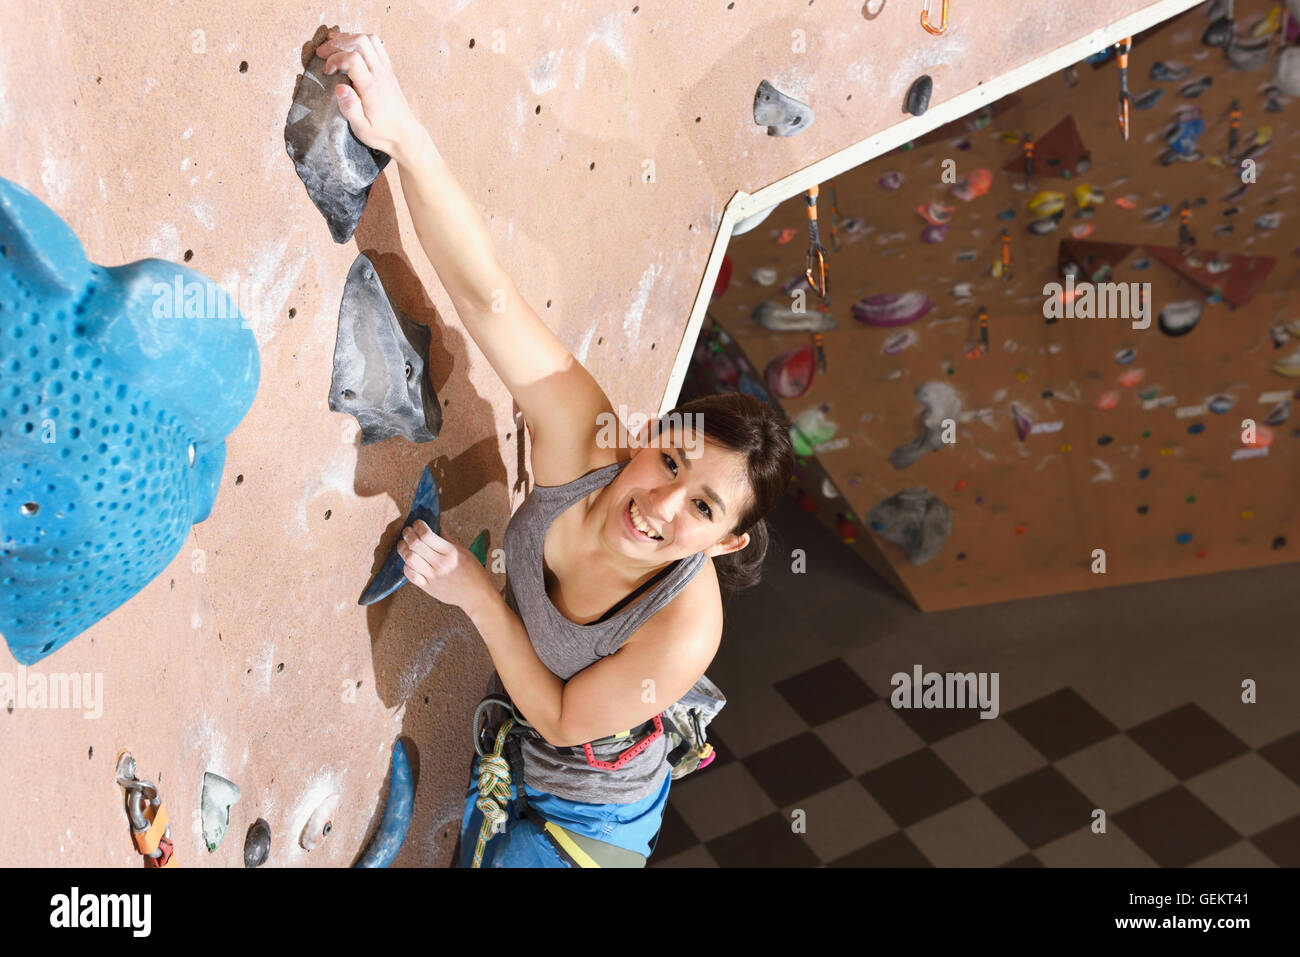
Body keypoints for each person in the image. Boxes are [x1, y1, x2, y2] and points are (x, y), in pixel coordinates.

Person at [315, 31, 796, 867]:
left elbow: (569, 718)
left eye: (703, 508)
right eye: (671, 460)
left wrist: (474, 594)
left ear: (727, 542)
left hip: (591, 829)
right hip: (525, 760)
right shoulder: (589, 442)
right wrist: (403, 136)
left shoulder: (689, 624)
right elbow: (488, 296)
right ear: (646, 437)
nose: (659, 502)